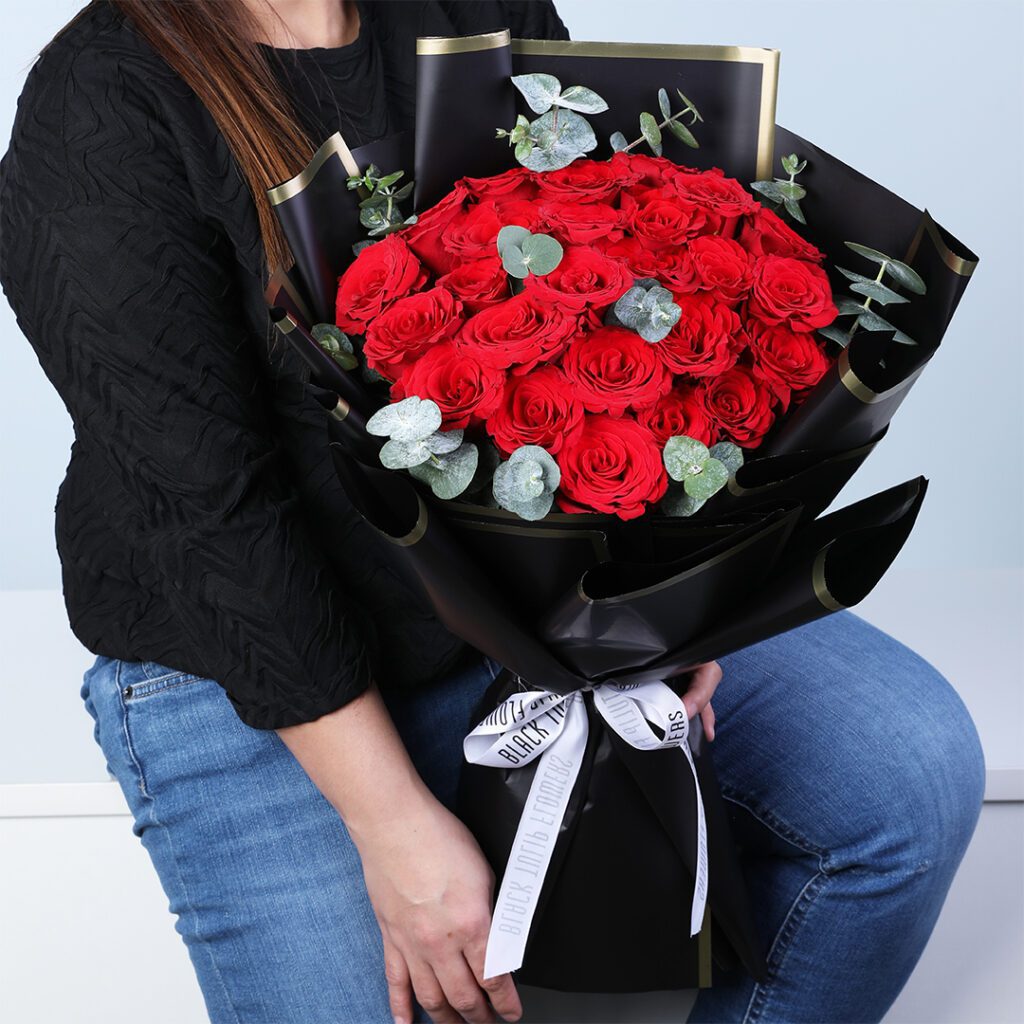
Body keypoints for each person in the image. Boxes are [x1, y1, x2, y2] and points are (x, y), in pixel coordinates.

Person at [0, 1, 986, 1022]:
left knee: (904, 773)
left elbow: (618, 285)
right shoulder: (102, 100)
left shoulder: (470, 6)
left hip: (524, 599)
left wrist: (676, 601)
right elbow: (208, 512)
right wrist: (392, 829)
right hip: (247, 659)